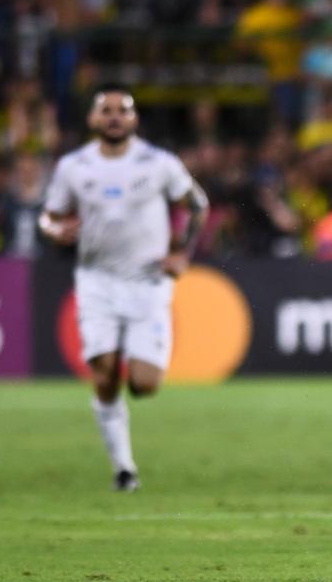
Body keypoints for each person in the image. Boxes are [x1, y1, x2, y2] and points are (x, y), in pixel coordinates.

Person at [39, 84, 209, 492]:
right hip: (97, 281)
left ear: (133, 119)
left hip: (148, 282)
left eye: (122, 110)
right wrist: (55, 229)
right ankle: (124, 468)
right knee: (103, 373)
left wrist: (182, 252)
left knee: (144, 384)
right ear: (93, 119)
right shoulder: (74, 167)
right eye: (106, 110)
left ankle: (124, 453)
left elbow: (197, 205)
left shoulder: (158, 163)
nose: (114, 116)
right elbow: (48, 216)